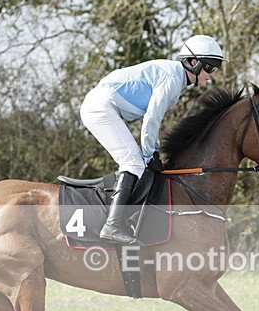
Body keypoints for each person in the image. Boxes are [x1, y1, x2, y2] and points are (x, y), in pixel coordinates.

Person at [80, 35, 227, 245]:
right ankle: (113, 224)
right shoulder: (172, 78)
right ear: (194, 63)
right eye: (210, 68)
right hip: (100, 108)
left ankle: (121, 220)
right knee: (133, 163)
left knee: (138, 163)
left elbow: (153, 124)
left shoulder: (176, 78)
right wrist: (149, 154)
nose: (212, 75)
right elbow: (151, 120)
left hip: (105, 107)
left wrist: (154, 151)